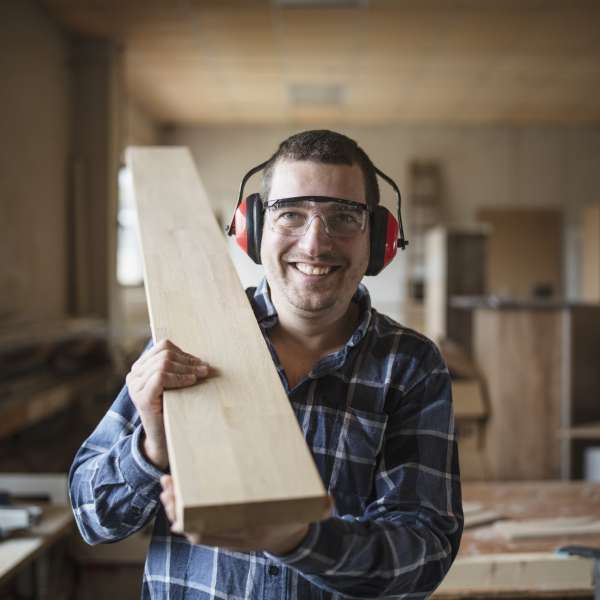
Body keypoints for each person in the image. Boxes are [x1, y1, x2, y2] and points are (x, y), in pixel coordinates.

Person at [69, 130, 463, 599]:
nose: (315, 244)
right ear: (251, 229)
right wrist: (153, 449)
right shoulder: (186, 335)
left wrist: (301, 541)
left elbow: (425, 552)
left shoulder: (410, 366)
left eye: (343, 217)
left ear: (378, 238)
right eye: (291, 215)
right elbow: (91, 519)